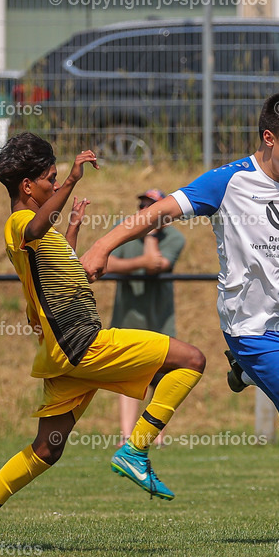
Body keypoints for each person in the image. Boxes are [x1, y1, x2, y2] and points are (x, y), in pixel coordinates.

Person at [81, 92, 279, 545]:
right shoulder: (227, 182)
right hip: (256, 331)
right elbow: (157, 212)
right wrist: (100, 248)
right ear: (269, 138)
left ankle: (247, 373)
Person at [0, 133, 205, 552]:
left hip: (65, 355)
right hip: (82, 344)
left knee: (47, 449)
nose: (54, 184)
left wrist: (76, 229)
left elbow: (64, 272)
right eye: (50, 179)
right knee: (191, 359)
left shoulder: (42, 234)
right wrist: (74, 182)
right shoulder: (19, 224)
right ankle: (135, 451)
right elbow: (39, 223)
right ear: (28, 186)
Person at [106, 188, 187, 446]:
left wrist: (150, 235)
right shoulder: (122, 228)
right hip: (127, 319)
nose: (144, 211)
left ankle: (154, 436)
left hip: (159, 319)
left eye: (151, 207)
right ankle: (127, 435)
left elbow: (156, 265)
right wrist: (141, 260)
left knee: (160, 379)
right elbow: (107, 263)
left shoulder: (174, 238)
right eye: (142, 205)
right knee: (128, 378)